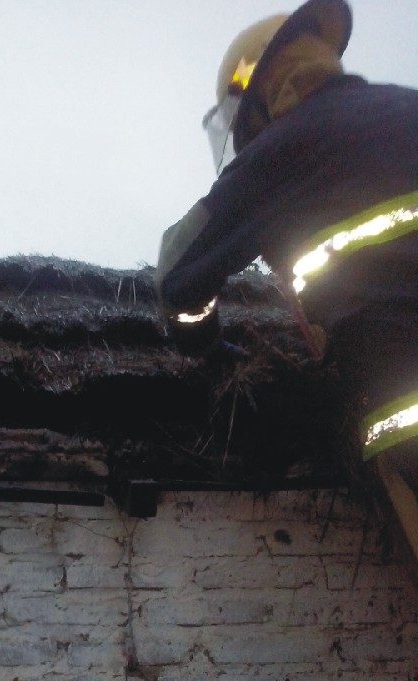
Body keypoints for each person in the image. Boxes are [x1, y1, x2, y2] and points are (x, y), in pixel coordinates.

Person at [155, 0, 418, 551]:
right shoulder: (407, 106)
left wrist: (205, 342)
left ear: (257, 98)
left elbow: (180, 270)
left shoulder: (282, 150)